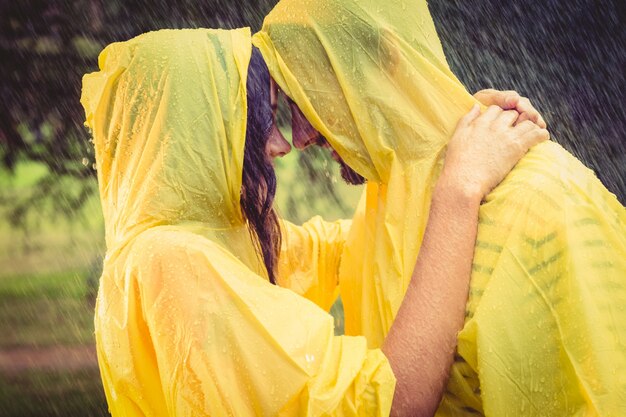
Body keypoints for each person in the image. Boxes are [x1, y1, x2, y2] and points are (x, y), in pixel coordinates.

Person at [81, 28, 547, 416]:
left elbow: (353, 246)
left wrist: (438, 134)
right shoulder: (175, 263)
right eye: (256, 123)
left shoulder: (201, 241)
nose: (281, 145)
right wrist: (459, 189)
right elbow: (393, 403)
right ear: (196, 134)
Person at [253, 0, 626, 415]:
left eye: (311, 96)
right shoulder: (378, 212)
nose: (300, 138)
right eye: (290, 105)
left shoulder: (545, 201)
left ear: (391, 60)